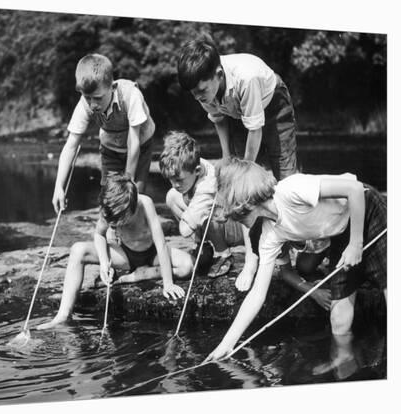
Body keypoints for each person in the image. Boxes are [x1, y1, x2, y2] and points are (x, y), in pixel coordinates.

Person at [206, 158, 387, 361]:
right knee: (339, 320)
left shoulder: (290, 190)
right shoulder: (269, 234)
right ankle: (343, 361)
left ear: (242, 201)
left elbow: (354, 189)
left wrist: (356, 244)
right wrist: (226, 344)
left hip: (367, 209)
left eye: (233, 213)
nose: (232, 219)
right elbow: (257, 293)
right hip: (342, 231)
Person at [177, 33, 302, 290]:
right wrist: (227, 161)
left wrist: (243, 173)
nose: (199, 97)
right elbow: (220, 120)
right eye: (194, 94)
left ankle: (292, 252)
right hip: (235, 115)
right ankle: (252, 256)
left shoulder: (247, 77)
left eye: (202, 90)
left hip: (273, 105)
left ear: (218, 75)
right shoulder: (203, 92)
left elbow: (255, 129)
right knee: (236, 187)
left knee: (285, 178)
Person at [37, 173, 193, 330]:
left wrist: (168, 283)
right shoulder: (110, 206)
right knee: (78, 250)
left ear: (131, 208)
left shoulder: (145, 204)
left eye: (120, 221)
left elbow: (161, 245)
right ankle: (63, 315)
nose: (115, 224)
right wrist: (105, 262)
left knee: (188, 266)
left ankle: (141, 275)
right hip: (126, 255)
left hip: (153, 254)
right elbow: (99, 234)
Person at [52, 53, 155, 214]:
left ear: (112, 88)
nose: (93, 104)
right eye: (88, 98)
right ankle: (109, 234)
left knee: (134, 197)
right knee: (109, 200)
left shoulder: (131, 95)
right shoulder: (84, 104)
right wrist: (59, 186)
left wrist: (127, 180)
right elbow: (71, 146)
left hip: (139, 146)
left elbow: (133, 141)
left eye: (98, 98)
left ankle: (138, 232)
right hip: (111, 150)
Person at [158, 130, 248, 278]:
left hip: (234, 226)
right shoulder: (194, 164)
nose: (174, 184)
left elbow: (185, 231)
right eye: (171, 179)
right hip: (216, 217)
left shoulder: (207, 186)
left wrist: (189, 218)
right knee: (172, 197)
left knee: (208, 214)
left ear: (197, 171)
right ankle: (203, 245)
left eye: (179, 179)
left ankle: (223, 254)